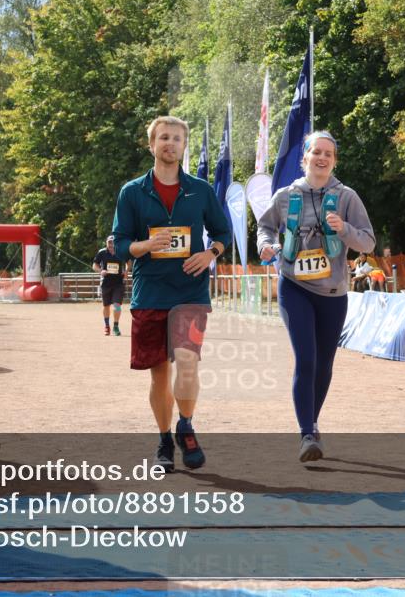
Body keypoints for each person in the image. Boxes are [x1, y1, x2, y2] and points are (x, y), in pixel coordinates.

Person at [112, 115, 231, 473]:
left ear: (183, 146)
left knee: (188, 363)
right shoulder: (132, 192)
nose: (170, 143)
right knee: (160, 374)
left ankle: (186, 426)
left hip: (190, 292)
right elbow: (120, 243)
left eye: (177, 138)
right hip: (150, 294)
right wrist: (145, 245)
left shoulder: (200, 190)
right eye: (164, 137)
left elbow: (223, 232)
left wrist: (210, 254)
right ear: (152, 145)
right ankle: (164, 439)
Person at [257, 130, 375, 463]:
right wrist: (265, 245)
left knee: (324, 364)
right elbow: (265, 227)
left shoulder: (347, 197)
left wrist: (344, 229)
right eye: (316, 152)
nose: (322, 158)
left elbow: (368, 242)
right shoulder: (285, 195)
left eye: (328, 154)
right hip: (295, 286)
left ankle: (312, 421)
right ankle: (307, 433)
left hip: (333, 292)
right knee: (306, 359)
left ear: (334, 161)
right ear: (305, 157)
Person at [93, 235, 128, 336]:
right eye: (109, 242)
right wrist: (101, 271)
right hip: (106, 283)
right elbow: (94, 265)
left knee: (117, 305)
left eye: (112, 242)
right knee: (106, 306)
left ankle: (116, 326)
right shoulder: (102, 252)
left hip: (118, 283)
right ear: (106, 243)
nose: (111, 244)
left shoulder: (121, 252)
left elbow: (128, 262)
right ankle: (107, 326)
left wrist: (126, 271)